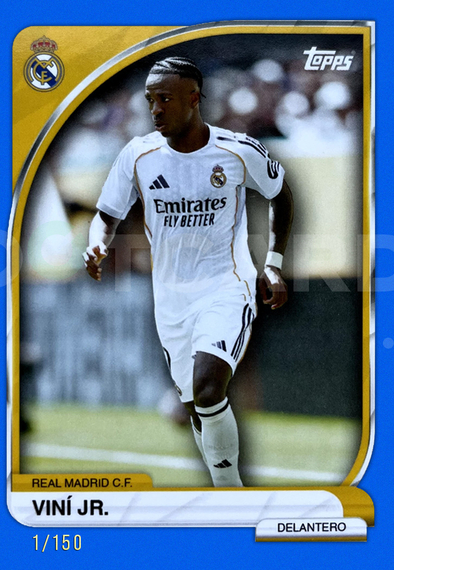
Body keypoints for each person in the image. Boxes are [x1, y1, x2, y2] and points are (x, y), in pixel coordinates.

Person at [83, 57, 293, 487]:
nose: (155, 109)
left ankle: (231, 496)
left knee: (209, 388)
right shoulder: (138, 155)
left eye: (164, 99)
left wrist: (273, 264)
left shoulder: (237, 150)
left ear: (194, 99)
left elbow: (281, 195)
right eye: (150, 100)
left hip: (226, 286)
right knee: (197, 405)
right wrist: (97, 243)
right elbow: (106, 215)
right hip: (171, 300)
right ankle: (224, 487)